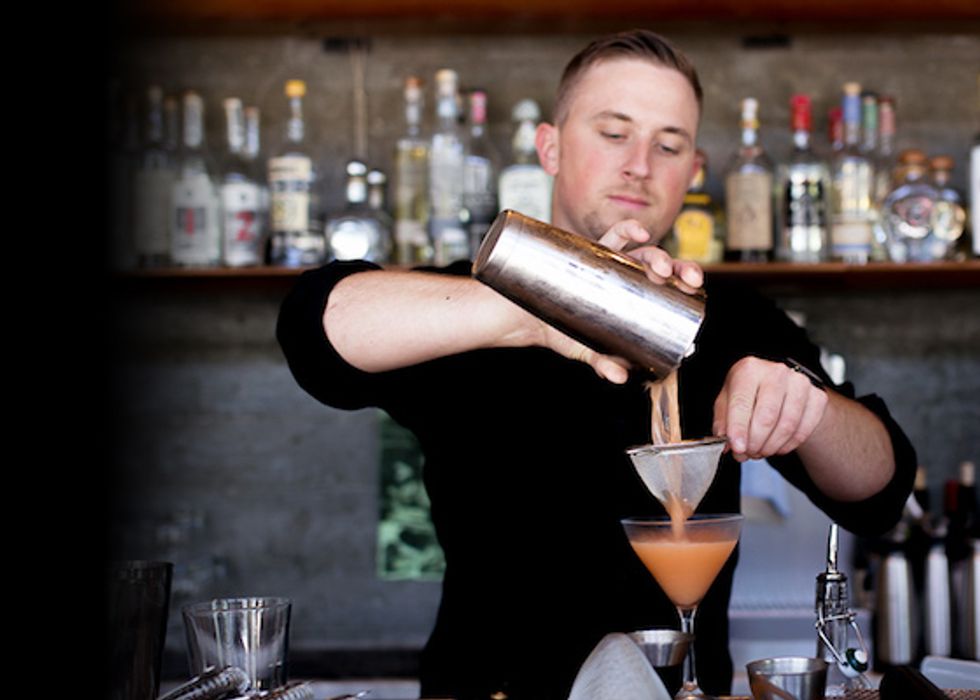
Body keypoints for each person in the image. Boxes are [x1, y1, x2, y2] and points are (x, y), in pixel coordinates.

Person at [277, 30, 916, 700]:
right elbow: (311, 330)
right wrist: (532, 308)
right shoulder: (469, 305)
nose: (640, 165)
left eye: (669, 145)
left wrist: (808, 408)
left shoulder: (736, 322)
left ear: (694, 170)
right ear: (550, 148)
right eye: (614, 133)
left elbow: (881, 491)